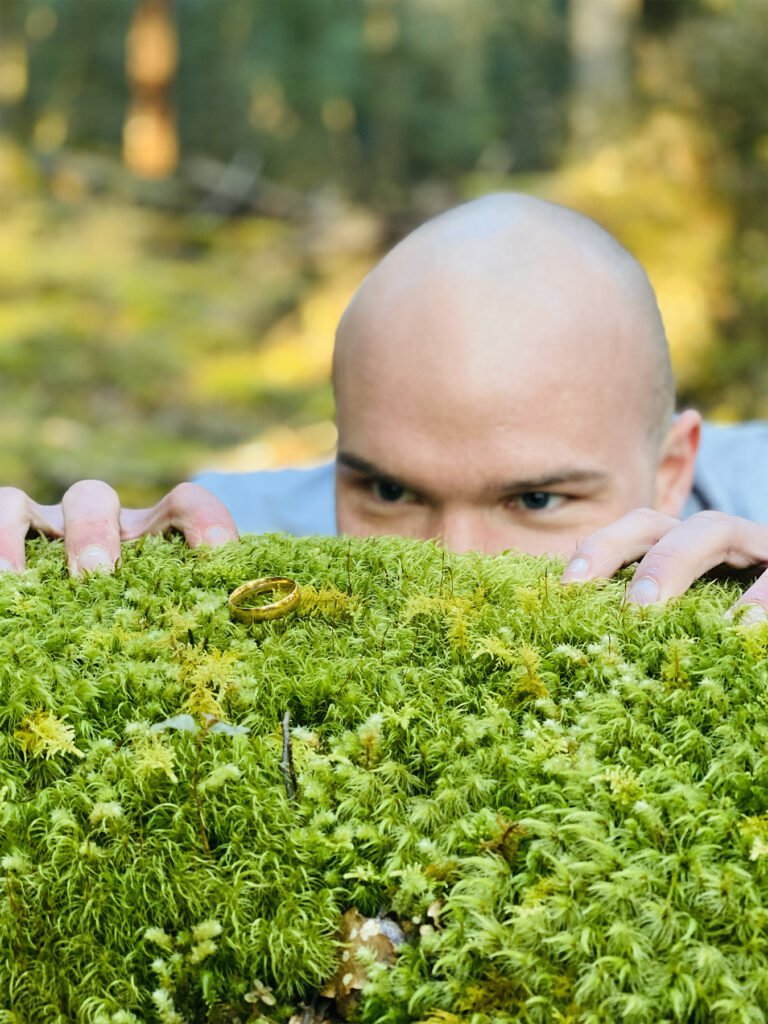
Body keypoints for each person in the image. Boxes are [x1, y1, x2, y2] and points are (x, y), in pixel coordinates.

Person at [1, 194, 766, 620]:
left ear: (673, 469)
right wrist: (62, 555)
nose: (454, 575)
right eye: (390, 492)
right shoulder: (230, 531)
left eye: (535, 499)